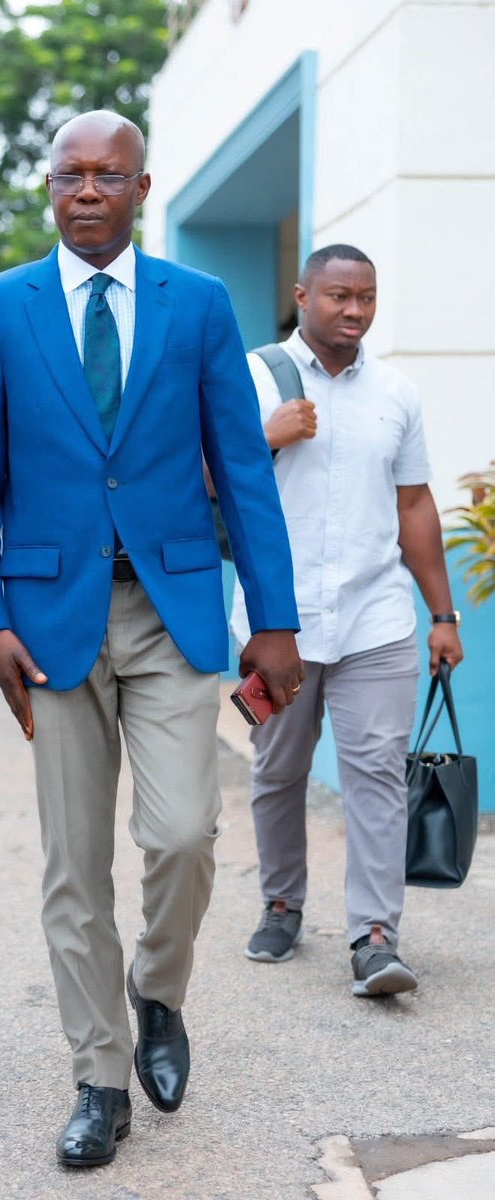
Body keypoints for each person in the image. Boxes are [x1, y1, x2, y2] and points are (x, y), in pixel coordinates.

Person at [0, 111, 303, 1168]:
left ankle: (158, 988)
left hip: (173, 609)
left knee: (185, 833)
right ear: (50, 187)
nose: (89, 191)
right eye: (71, 175)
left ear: (144, 189)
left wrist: (275, 619)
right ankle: (99, 1076)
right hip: (50, 620)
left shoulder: (197, 304)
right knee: (74, 865)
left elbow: (242, 468)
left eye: (111, 175)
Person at [232, 244, 464, 996]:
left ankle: (374, 935)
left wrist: (441, 613)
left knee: (374, 778)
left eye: (365, 297)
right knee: (278, 770)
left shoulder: (394, 392)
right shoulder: (250, 375)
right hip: (278, 625)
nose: (355, 311)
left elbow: (413, 504)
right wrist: (262, 436)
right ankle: (280, 902)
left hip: (375, 620)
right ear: (302, 294)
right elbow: (189, 474)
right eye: (339, 296)